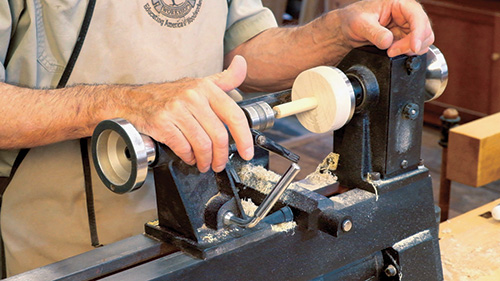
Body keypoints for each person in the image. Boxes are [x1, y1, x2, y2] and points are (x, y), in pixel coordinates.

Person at [0, 0, 434, 276]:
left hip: (209, 218)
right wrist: (117, 104)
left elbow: (243, 53)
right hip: (68, 247)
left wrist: (334, 34)